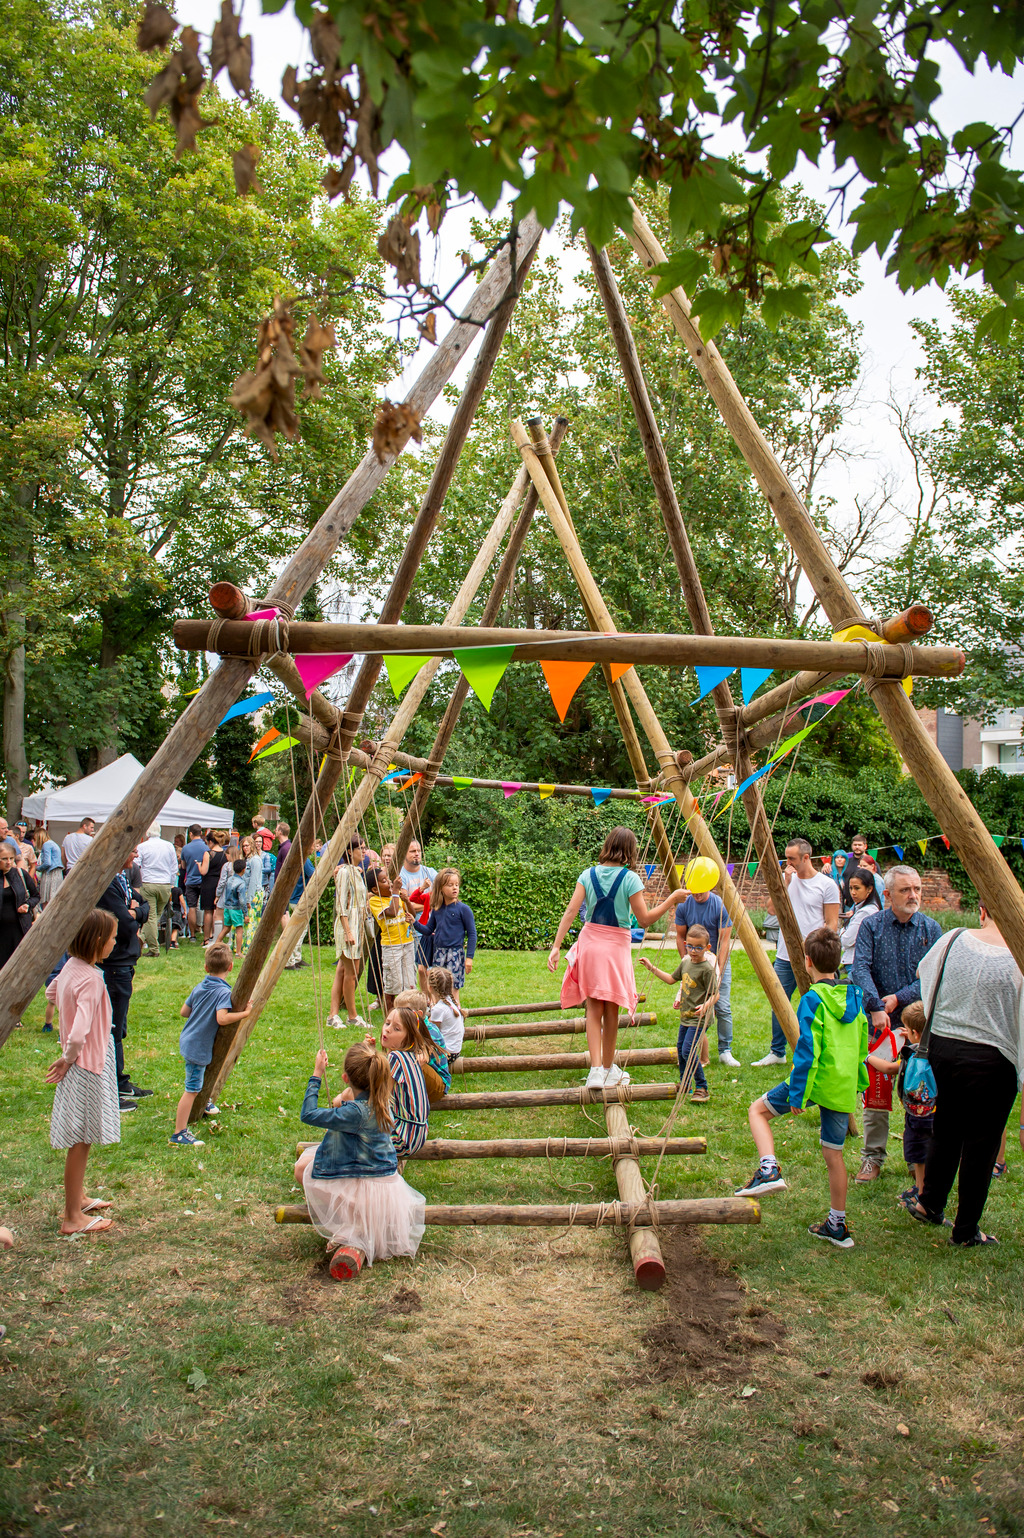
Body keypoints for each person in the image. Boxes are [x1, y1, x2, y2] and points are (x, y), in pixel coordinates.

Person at [735, 927, 868, 1247]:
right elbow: (863, 1046)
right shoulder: (856, 996)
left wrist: (798, 1094)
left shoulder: (812, 1000)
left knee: (757, 1111)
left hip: (814, 1082)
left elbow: (808, 1052)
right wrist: (858, 1085)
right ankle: (838, 1225)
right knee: (833, 1155)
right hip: (842, 1086)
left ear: (807, 961)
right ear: (838, 962)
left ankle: (769, 1170)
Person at [905, 908, 1023, 1247]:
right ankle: (965, 1229)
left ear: (983, 911)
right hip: (992, 1057)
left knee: (947, 1130)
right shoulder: (1018, 954)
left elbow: (924, 973)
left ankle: (931, 1203)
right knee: (981, 1146)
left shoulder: (953, 939)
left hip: (943, 1046)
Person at [548, 826, 685, 1090]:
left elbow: (570, 911)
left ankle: (596, 1071)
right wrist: (671, 900)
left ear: (608, 845)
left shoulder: (587, 874)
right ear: (630, 851)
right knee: (612, 1009)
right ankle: (609, 1069)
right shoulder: (631, 878)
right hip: (615, 948)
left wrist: (556, 946)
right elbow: (644, 920)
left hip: (589, 944)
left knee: (594, 1008)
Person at [294, 1042, 427, 1281]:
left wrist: (317, 1074)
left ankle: (351, 1222)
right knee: (310, 1160)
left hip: (365, 1178)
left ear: (345, 1077)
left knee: (301, 1169)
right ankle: (354, 1219)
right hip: (385, 1179)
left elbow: (308, 1114)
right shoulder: (381, 1095)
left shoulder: (355, 1113)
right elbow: (345, 1100)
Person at [850, 864, 941, 1184]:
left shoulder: (932, 929)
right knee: (876, 1092)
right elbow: (859, 969)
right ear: (887, 895)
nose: (914, 895)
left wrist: (897, 998)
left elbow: (933, 976)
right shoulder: (871, 926)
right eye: (906, 890)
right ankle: (872, 1157)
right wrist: (877, 1006)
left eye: (917, 888)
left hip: (920, 1025)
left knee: (921, 1092)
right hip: (881, 1023)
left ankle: (919, 1158)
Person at [44, 909, 121, 1235]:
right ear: (98, 941)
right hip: (87, 1063)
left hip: (80, 1063)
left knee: (83, 1136)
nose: (115, 942)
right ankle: (72, 1217)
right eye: (113, 937)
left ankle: (79, 1197)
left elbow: (51, 993)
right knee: (82, 1138)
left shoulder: (71, 970)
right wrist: (68, 1057)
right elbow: (79, 1033)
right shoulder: (91, 978)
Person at [753, 838, 840, 1069]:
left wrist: (816, 947)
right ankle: (777, 1051)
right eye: (786, 858)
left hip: (814, 956)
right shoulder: (786, 879)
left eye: (791, 858)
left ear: (805, 858)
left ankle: (821, 1049)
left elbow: (831, 923)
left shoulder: (826, 884)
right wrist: (785, 881)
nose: (787, 862)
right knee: (779, 999)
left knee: (816, 1003)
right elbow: (771, 909)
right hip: (784, 953)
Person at [172, 943, 252, 1147]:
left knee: (199, 1078)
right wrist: (245, 1013)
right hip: (198, 1045)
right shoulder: (224, 993)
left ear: (206, 968)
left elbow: (184, 1011)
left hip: (189, 1039)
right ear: (231, 967)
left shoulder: (200, 986)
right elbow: (222, 1019)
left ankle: (203, 1100)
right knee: (191, 1088)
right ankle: (179, 1131)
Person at [96, 854, 151, 1111]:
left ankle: (120, 1081)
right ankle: (111, 1089)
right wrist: (135, 914)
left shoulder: (122, 878)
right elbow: (125, 924)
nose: (136, 855)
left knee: (119, 1028)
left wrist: (136, 911)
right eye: (133, 849)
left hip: (124, 962)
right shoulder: (107, 883)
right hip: (115, 964)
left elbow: (145, 905)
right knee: (112, 1030)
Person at [865, 998, 932, 1204]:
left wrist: (867, 1058)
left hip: (917, 1117)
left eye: (909, 1031)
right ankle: (923, 1188)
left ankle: (921, 1194)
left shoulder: (914, 1056)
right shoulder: (935, 1051)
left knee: (919, 1155)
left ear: (915, 1034)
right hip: (932, 1112)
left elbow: (889, 1068)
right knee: (929, 1151)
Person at [641, 924, 718, 1102]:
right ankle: (685, 1084)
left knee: (688, 1050)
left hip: (699, 1018)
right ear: (685, 944)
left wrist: (706, 1005)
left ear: (707, 948)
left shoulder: (707, 969)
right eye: (690, 946)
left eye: (699, 947)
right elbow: (671, 979)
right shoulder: (686, 963)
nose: (693, 951)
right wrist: (652, 968)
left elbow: (716, 994)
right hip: (686, 1016)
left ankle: (702, 1087)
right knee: (681, 1049)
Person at [670, 879, 740, 1067]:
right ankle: (696, 1053)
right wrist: (688, 962)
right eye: (694, 891)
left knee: (722, 1005)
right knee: (693, 1007)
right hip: (694, 961)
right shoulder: (684, 905)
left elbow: (725, 939)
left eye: (701, 891)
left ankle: (725, 1050)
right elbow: (680, 936)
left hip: (716, 960)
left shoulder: (719, 905)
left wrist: (720, 968)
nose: (697, 895)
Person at [371, 1006, 431, 1158]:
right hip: (417, 1134)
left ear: (408, 1038)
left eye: (397, 1028)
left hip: (402, 1138)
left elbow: (382, 1099)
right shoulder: (408, 1056)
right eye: (387, 1023)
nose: (388, 1029)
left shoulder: (395, 1058)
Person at [413, 868, 476, 1005]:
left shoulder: (463, 909)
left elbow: (472, 934)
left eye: (456, 885)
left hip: (455, 954)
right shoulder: (437, 909)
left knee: (453, 990)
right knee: (438, 989)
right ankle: (438, 1020)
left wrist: (469, 958)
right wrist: (413, 922)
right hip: (439, 953)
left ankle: (457, 1019)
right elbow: (428, 930)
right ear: (441, 888)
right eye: (450, 885)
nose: (454, 888)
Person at [328, 837, 368, 1030]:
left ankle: (333, 1015)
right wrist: (348, 931)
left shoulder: (355, 871)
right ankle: (352, 1015)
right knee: (351, 973)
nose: (364, 851)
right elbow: (341, 904)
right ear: (350, 851)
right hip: (349, 924)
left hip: (356, 923)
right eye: (360, 848)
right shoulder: (344, 872)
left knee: (343, 971)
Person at [367, 866, 416, 1010]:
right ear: (375, 889)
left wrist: (406, 901)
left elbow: (411, 913)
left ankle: (409, 1015)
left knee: (409, 983)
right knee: (393, 985)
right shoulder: (375, 901)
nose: (389, 882)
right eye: (384, 881)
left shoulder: (397, 896)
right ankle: (390, 1017)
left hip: (407, 943)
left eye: (388, 879)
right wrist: (395, 892)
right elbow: (392, 912)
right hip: (391, 947)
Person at [395, 987, 450, 1102]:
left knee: (411, 1059)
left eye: (404, 1012)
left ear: (418, 1015)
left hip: (437, 1085)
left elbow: (425, 1050)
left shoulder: (430, 1031)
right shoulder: (407, 1029)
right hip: (418, 1079)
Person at [136, 821, 178, 958]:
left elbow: (137, 866)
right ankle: (141, 941)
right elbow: (174, 867)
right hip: (165, 884)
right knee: (155, 917)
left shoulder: (142, 847)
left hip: (148, 882)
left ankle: (152, 948)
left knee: (151, 917)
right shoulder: (169, 846)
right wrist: (171, 884)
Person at [399, 840, 438, 983]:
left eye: (418, 851)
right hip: (413, 927)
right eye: (412, 851)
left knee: (432, 967)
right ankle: (423, 998)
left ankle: (434, 999)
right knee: (419, 967)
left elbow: (441, 897)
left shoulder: (430, 872)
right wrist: (429, 902)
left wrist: (415, 901)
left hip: (433, 925)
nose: (417, 854)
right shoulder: (401, 875)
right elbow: (405, 905)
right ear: (404, 854)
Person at [0, 843, 36, 970]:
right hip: (1, 931)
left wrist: (27, 905)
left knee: (18, 967)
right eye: (4, 859)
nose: (8, 862)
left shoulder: (20, 874)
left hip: (19, 928)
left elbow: (36, 895)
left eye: (11, 858)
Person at [839, 871, 882, 973]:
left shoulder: (866, 912)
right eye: (850, 888)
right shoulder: (861, 908)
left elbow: (846, 940)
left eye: (857, 888)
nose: (853, 892)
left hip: (856, 962)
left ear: (869, 889)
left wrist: (842, 931)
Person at [282, 840, 315, 970]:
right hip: (298, 899)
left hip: (296, 898)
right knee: (298, 931)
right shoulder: (305, 859)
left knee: (301, 930)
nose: (313, 848)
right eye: (312, 845)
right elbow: (313, 874)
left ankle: (296, 958)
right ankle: (291, 960)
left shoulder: (300, 858)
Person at [425, 965, 465, 1060]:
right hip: (455, 1050)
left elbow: (431, 1031)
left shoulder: (439, 1009)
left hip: (447, 1054)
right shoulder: (451, 1002)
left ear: (430, 988)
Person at [181, 824, 209, 941]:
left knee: (191, 907)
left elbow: (183, 866)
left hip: (191, 880)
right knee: (206, 908)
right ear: (201, 833)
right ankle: (205, 932)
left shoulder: (185, 848)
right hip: (204, 880)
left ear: (191, 834)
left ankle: (192, 935)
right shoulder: (206, 847)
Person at [201, 832, 227, 945]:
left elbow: (204, 871)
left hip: (208, 883)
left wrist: (198, 866)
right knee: (218, 911)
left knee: (208, 911)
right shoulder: (225, 854)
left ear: (210, 842)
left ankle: (207, 937)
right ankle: (217, 936)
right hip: (220, 882)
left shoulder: (208, 854)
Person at [221, 859, 249, 956]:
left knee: (226, 928)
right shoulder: (241, 883)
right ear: (243, 870)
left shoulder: (229, 880)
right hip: (236, 909)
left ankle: (216, 944)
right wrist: (245, 913)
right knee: (239, 929)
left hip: (227, 907)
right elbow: (242, 900)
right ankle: (238, 952)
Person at [35, 828, 64, 909]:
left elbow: (47, 863)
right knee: (54, 897)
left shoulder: (46, 844)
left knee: (46, 898)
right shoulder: (53, 843)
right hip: (58, 873)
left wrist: (38, 868)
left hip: (50, 873)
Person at [841, 834, 870, 905]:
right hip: (848, 904)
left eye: (859, 845)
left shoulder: (871, 863)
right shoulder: (846, 862)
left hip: (865, 904)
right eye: (855, 845)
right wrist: (827, 864)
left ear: (865, 846)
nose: (857, 847)